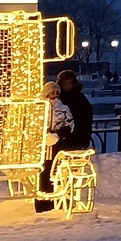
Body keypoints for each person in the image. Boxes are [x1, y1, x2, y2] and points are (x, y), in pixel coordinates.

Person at [35, 81, 75, 212]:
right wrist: (42, 136)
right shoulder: (38, 107)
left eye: (57, 92)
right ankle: (41, 204)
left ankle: (55, 202)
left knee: (56, 172)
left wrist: (58, 135)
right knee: (42, 174)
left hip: (58, 145)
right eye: (53, 92)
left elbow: (70, 125)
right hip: (41, 147)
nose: (55, 94)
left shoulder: (63, 108)